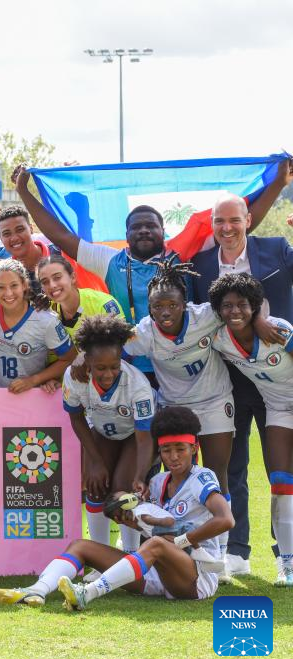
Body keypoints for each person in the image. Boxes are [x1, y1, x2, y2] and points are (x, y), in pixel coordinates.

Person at [13, 162, 290, 386]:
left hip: (185, 364)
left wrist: (277, 182)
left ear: (163, 232)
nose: (144, 230)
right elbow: (60, 236)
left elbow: (235, 229)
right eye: (136, 227)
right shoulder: (109, 261)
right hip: (131, 364)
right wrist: (24, 192)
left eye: (151, 226)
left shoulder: (180, 255)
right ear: (126, 234)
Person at [0, 406, 234, 609]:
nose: (174, 456)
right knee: (80, 545)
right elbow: (157, 527)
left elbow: (225, 520)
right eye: (167, 450)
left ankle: (87, 593)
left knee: (157, 545)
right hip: (157, 572)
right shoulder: (158, 482)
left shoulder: (201, 477)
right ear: (159, 452)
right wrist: (129, 518)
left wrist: (181, 541)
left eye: (180, 449)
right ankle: (37, 590)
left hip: (196, 578)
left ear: (194, 448)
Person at [121, 259, 270, 579]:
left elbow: (242, 310)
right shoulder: (144, 333)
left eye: (172, 305)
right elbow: (110, 349)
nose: (165, 312)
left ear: (184, 302)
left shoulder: (206, 316)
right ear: (149, 307)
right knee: (174, 479)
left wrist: (261, 321)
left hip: (215, 400)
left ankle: (221, 557)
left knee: (217, 476)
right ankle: (173, 548)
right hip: (175, 408)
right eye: (157, 306)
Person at [190, 193, 293, 578]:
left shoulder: (277, 249)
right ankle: (236, 552)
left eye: (234, 219)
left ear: (249, 219)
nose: (227, 227)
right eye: (219, 221)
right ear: (212, 225)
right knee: (232, 467)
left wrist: (264, 321)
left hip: (277, 376)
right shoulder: (200, 264)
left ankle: (285, 556)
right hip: (228, 378)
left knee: (280, 472)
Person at [208, 273, 293, 585]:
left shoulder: (278, 329)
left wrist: (260, 320)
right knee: (281, 483)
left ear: (254, 306)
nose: (235, 311)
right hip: (278, 409)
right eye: (227, 305)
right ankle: (288, 565)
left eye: (242, 304)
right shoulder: (219, 339)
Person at [62, 314, 156, 549]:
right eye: (100, 368)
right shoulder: (75, 377)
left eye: (114, 367)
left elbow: (145, 439)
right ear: (87, 361)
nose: (107, 374)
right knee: (95, 487)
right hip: (103, 433)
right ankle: (99, 556)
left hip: (135, 436)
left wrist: (140, 476)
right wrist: (94, 461)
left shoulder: (138, 386)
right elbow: (76, 418)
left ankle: (131, 553)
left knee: (124, 491)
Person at [0, 259, 76, 392]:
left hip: (31, 395)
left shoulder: (47, 320)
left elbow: (69, 358)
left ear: (24, 285)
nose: (8, 293)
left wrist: (33, 380)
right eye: (1, 287)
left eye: (14, 285)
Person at [36, 254, 121, 341]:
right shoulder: (46, 311)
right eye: (45, 282)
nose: (52, 285)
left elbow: (120, 346)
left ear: (72, 277)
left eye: (57, 277)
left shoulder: (103, 304)